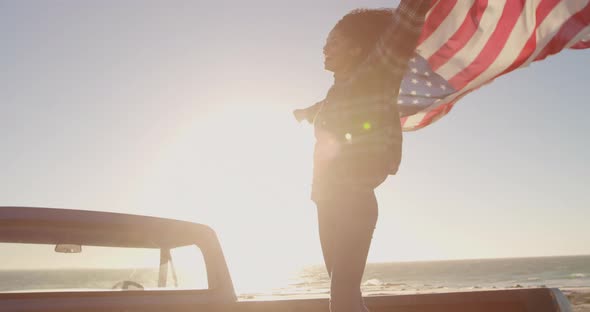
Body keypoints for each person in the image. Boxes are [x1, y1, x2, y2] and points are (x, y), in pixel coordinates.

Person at [293, 1, 431, 311]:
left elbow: (401, 30)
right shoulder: (336, 92)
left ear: (356, 49)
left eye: (335, 40)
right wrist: (305, 112)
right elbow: (328, 106)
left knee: (341, 297)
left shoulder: (376, 75)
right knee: (345, 296)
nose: (325, 47)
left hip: (353, 200)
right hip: (325, 201)